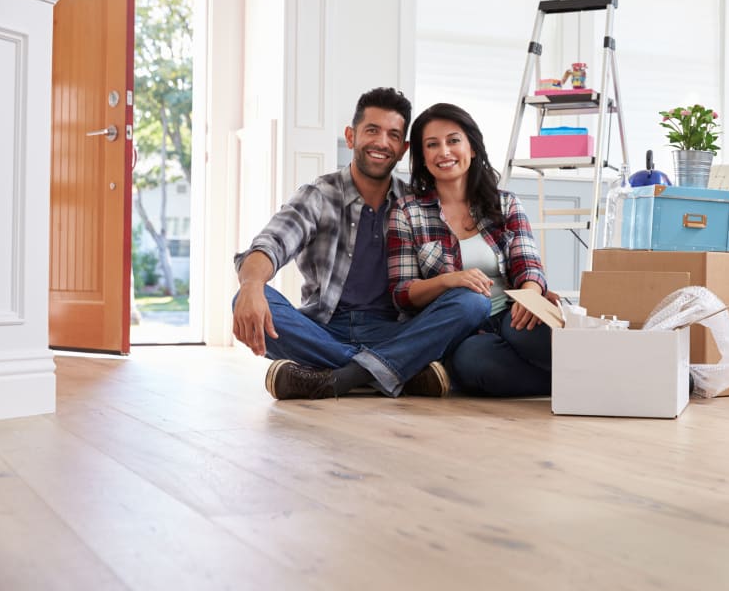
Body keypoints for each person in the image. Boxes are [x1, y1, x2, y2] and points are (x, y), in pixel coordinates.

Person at [232, 88, 490, 400]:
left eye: (393, 135)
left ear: (403, 148)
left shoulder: (416, 205)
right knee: (246, 298)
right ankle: (396, 373)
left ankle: (338, 377)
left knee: (472, 303)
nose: (382, 142)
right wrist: (250, 286)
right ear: (351, 136)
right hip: (324, 328)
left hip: (397, 330)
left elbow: (441, 286)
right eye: (372, 130)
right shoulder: (318, 195)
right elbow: (270, 244)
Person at [388, 102, 557, 397]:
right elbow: (403, 293)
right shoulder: (407, 212)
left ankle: (610, 375)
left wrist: (530, 295)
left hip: (510, 311)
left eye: (454, 140)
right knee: (474, 362)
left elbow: (528, 265)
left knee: (532, 334)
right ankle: (573, 384)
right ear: (422, 157)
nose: (444, 152)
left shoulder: (506, 204)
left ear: (473, 148)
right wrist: (449, 280)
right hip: (460, 331)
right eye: (432, 145)